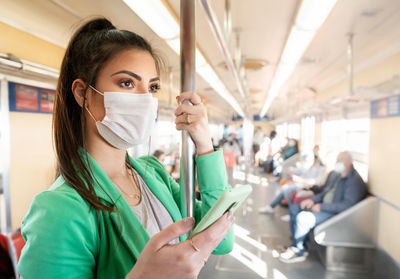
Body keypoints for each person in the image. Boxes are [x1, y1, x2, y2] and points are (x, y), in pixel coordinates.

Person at [18, 18, 234, 279]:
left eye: (152, 87)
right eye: (127, 83)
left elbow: (222, 240)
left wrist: (204, 144)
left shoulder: (153, 174)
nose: (145, 99)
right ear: (81, 92)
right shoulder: (60, 209)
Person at [279, 151, 366, 263]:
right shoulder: (337, 175)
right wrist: (312, 200)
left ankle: (298, 251)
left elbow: (346, 206)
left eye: (340, 161)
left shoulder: (354, 181)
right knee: (294, 208)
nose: (337, 163)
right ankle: (297, 244)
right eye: (337, 160)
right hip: (324, 207)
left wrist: (322, 207)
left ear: (349, 162)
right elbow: (325, 192)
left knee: (303, 218)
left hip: (336, 215)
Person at [258, 145, 325, 214]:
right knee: (284, 188)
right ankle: (272, 207)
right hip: (300, 183)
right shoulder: (312, 163)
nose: (314, 153)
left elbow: (316, 181)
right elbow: (302, 170)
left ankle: (288, 209)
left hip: (307, 185)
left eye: (316, 151)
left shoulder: (322, 168)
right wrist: (291, 170)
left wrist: (301, 180)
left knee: (285, 189)